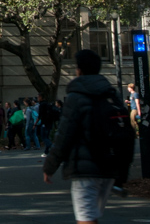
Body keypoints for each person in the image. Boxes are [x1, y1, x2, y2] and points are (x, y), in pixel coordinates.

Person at [43, 49, 123, 224]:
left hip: (85, 168)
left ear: (79, 70)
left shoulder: (76, 97)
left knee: (86, 218)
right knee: (91, 217)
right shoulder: (111, 95)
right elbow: (126, 133)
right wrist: (122, 170)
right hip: (109, 167)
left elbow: (64, 135)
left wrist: (50, 166)